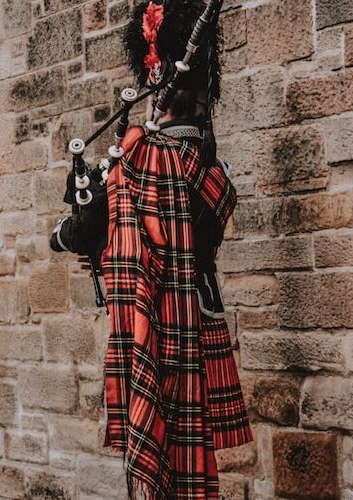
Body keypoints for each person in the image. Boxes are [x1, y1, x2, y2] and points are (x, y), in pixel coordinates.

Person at [99, 1, 253, 498]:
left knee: (166, 460)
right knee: (183, 452)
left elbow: (96, 232)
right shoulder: (198, 167)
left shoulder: (145, 157)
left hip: (160, 314)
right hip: (186, 313)